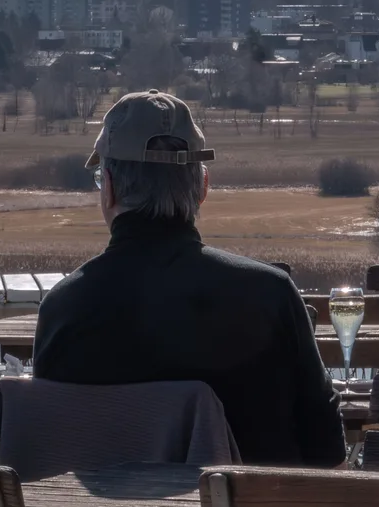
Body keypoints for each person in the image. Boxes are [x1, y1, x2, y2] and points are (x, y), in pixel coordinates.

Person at [32, 89, 345, 467]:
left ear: (110, 187)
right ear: (203, 187)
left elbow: (47, 448)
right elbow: (327, 449)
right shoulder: (269, 294)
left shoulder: (65, 307)